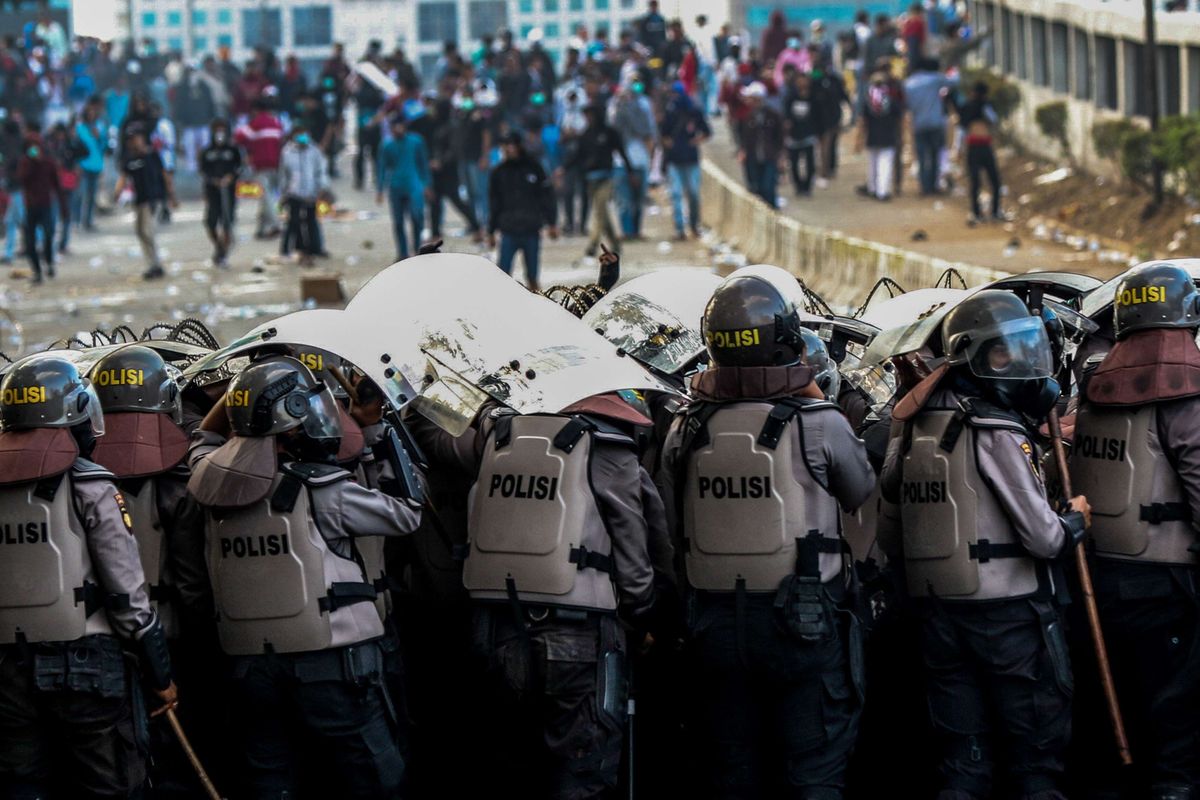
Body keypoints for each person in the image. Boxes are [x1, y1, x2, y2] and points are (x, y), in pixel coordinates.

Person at [659, 267, 876, 797]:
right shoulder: (819, 423)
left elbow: (668, 515)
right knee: (814, 772)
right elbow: (861, 488)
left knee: (733, 773)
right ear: (785, 341)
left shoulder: (686, 426)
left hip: (711, 624)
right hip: (803, 622)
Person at [880, 289, 1089, 800]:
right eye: (1001, 352)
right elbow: (1042, 538)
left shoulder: (910, 425)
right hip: (1010, 618)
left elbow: (890, 515)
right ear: (970, 355)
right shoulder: (994, 427)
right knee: (1033, 761)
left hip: (940, 612)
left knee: (963, 762)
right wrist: (1075, 522)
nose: (1016, 364)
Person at [184, 356, 420, 797]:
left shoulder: (206, 481)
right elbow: (406, 515)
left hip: (249, 665)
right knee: (373, 778)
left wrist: (243, 396)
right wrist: (378, 433)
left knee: (272, 780)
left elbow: (204, 436)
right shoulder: (322, 488)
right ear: (292, 423)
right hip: (331, 661)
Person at [0, 354, 176, 798]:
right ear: (76, 416)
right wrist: (160, 675)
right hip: (88, 662)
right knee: (109, 786)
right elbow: (127, 594)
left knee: (25, 786)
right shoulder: (92, 486)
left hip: (7, 667)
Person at [1069, 262, 1200, 800]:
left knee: (1113, 707)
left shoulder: (1093, 389)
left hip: (1099, 576)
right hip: (1169, 583)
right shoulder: (1184, 394)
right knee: (1177, 717)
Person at [487, 131, 558, 291]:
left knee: (533, 278)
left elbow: (546, 197)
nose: (507, 149)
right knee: (502, 276)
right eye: (504, 146)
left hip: (531, 229)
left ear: (518, 146)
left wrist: (552, 223)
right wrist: (490, 231)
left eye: (510, 145)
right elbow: (494, 204)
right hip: (508, 230)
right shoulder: (498, 173)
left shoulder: (534, 168)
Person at [563, 103, 630, 258]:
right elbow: (577, 156)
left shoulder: (609, 133)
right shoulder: (585, 135)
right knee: (603, 214)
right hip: (590, 180)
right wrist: (563, 169)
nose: (588, 118)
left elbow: (622, 152)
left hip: (606, 178)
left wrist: (630, 171)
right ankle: (615, 242)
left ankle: (593, 244)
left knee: (599, 210)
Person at [113, 131, 177, 280]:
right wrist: (117, 193)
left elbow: (165, 176)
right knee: (140, 231)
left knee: (148, 231)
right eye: (132, 140)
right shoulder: (129, 160)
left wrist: (171, 196)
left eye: (137, 139)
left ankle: (155, 265)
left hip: (153, 200)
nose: (135, 142)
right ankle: (152, 264)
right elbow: (123, 177)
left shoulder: (153, 156)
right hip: (139, 201)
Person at [376, 115, 430, 261]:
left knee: (416, 217)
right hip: (396, 186)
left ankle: (418, 248)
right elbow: (382, 168)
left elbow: (423, 164)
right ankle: (403, 253)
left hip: (414, 185)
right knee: (398, 221)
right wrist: (380, 189)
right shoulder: (387, 145)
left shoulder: (416, 142)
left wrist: (427, 184)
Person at [661, 81, 710, 239]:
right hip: (675, 160)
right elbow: (663, 133)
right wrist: (668, 142)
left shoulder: (694, 111)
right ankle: (680, 229)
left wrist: (696, 141)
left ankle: (694, 225)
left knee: (694, 193)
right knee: (676, 194)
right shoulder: (670, 111)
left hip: (691, 159)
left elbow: (707, 131)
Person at [607, 80, 656, 240]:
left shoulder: (642, 112)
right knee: (624, 200)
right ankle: (627, 231)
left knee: (638, 200)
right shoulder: (614, 112)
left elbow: (647, 135)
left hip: (640, 162)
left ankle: (635, 230)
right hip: (620, 163)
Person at [904, 58, 959, 196]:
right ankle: (934, 186)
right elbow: (954, 82)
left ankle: (924, 187)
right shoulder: (935, 79)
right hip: (936, 124)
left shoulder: (908, 83)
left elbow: (906, 105)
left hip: (918, 124)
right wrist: (956, 70)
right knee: (935, 155)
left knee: (922, 157)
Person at [235, 97, 285, 240]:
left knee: (266, 196)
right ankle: (261, 229)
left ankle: (275, 225)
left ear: (256, 110)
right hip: (276, 165)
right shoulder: (276, 123)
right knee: (267, 196)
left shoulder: (255, 124)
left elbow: (239, 137)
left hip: (261, 166)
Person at [957, 80, 1004, 223]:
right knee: (994, 181)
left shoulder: (967, 107)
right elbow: (994, 120)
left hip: (973, 147)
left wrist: (959, 148)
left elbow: (962, 128)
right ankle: (994, 211)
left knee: (975, 181)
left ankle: (976, 213)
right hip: (984, 146)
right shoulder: (985, 106)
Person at [279, 126, 328, 267]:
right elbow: (284, 174)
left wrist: (321, 188)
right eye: (299, 134)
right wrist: (284, 194)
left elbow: (320, 171)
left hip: (311, 192)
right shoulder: (287, 152)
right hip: (293, 193)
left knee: (311, 221)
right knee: (293, 222)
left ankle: (315, 249)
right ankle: (291, 249)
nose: (302, 137)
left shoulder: (314, 151)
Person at [16, 137, 60, 284]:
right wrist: (32, 162)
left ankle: (49, 262)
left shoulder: (48, 163)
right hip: (29, 207)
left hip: (46, 205)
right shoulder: (25, 163)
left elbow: (57, 185)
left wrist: (64, 208)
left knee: (48, 235)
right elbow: (22, 179)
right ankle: (37, 272)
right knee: (30, 243)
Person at [199, 118, 242, 268]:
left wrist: (230, 177)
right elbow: (203, 171)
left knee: (227, 223)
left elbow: (239, 167)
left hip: (229, 193)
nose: (219, 133)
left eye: (222, 130)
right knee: (210, 222)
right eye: (217, 130)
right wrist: (213, 181)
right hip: (213, 192)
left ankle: (223, 254)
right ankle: (219, 247)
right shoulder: (207, 151)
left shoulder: (233, 150)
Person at [857, 70, 903, 201]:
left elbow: (862, 123)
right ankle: (882, 191)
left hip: (872, 137)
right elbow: (899, 120)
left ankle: (873, 188)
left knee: (873, 165)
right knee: (885, 164)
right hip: (888, 137)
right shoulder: (891, 101)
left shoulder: (868, 102)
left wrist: (860, 140)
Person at [736, 82, 784, 209]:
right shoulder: (748, 117)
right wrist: (743, 151)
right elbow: (744, 137)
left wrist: (780, 156)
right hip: (753, 158)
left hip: (769, 157)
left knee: (768, 187)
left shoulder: (773, 115)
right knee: (755, 188)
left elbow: (780, 137)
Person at [782, 70, 820, 197]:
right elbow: (786, 115)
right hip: (794, 136)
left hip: (808, 135)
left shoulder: (813, 96)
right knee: (794, 164)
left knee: (810, 164)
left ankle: (807, 187)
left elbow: (818, 115)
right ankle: (798, 186)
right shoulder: (790, 96)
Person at [75, 100, 105, 232]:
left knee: (93, 195)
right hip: (84, 165)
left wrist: (99, 137)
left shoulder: (99, 126)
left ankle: (89, 220)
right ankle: (78, 220)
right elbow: (77, 147)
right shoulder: (79, 128)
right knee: (82, 194)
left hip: (96, 164)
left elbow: (103, 146)